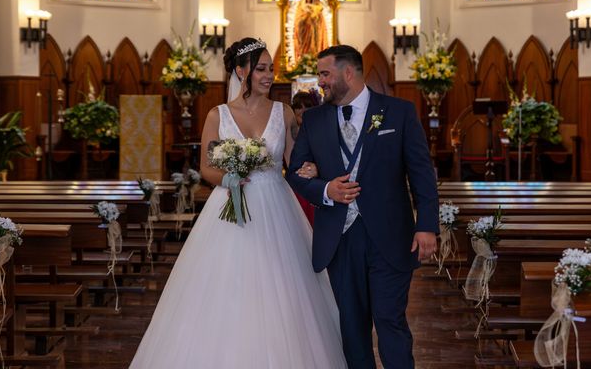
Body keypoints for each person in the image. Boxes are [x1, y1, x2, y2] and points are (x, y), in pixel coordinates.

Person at [130, 38, 346, 368]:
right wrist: (228, 178)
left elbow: (293, 160)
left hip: (277, 209)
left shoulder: (283, 112)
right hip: (230, 208)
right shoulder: (218, 115)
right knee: (226, 286)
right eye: (261, 69)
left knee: (284, 291)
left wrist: (311, 169)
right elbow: (206, 166)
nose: (269, 75)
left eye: (271, 69)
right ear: (240, 71)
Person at [287, 45, 439, 369]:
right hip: (339, 241)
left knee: (390, 323)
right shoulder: (313, 119)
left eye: (325, 74)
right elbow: (295, 171)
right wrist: (326, 188)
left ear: (348, 73)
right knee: (352, 332)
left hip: (391, 238)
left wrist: (426, 225)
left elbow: (422, 173)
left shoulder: (399, 112)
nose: (320, 82)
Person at [291, 90, 322, 225]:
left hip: (313, 184)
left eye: (307, 106)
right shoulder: (288, 131)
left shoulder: (319, 131)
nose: (302, 110)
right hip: (293, 186)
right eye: (298, 106)